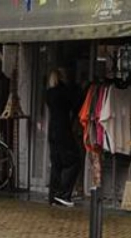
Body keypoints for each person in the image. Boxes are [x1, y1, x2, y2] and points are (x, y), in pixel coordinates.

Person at [45, 68, 81, 207]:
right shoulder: (65, 92)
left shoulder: (49, 93)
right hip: (63, 130)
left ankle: (53, 195)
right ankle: (63, 194)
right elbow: (75, 104)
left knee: (56, 163)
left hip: (52, 130)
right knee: (74, 161)